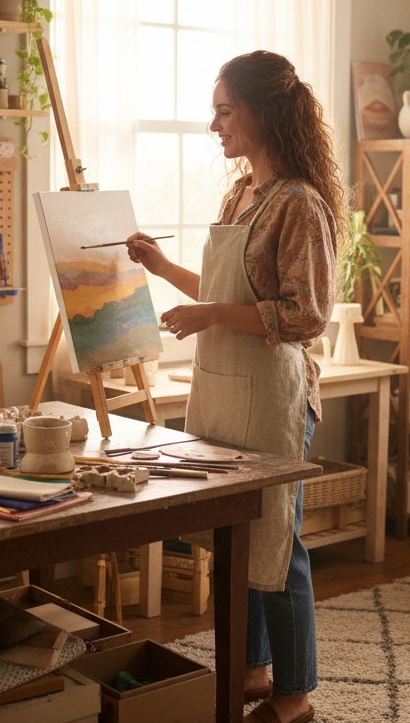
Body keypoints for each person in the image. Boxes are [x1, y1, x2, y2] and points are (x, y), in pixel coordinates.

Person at [127, 50, 344, 723]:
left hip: (274, 393)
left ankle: (296, 693)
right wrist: (161, 267)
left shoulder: (300, 204)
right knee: (234, 538)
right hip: (223, 386)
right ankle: (251, 668)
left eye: (225, 111)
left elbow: (306, 313)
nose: (214, 124)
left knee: (277, 542)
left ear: (263, 112)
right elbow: (224, 292)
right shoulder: (240, 192)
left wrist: (212, 315)